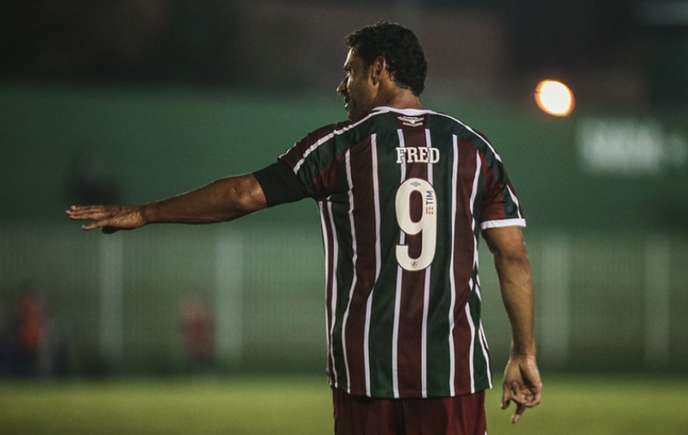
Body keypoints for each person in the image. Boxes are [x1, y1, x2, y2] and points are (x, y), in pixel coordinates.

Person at [66, 21, 542, 435]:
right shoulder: (474, 150)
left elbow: (241, 196)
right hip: (452, 374)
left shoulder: (340, 147)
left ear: (378, 71)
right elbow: (512, 255)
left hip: (366, 374)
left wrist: (147, 212)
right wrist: (524, 352)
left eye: (349, 72)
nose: (343, 86)